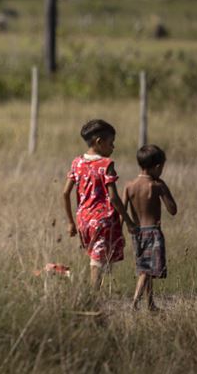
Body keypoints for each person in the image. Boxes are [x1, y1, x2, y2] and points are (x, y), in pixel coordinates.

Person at [62, 119, 136, 290]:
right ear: (99, 142)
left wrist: (70, 222)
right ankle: (92, 296)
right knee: (97, 262)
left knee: (98, 258)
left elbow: (65, 193)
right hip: (103, 221)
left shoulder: (77, 163)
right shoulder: (106, 164)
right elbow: (114, 198)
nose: (113, 147)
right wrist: (129, 222)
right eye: (111, 143)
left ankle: (95, 291)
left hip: (83, 221)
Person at [123, 145, 177, 311]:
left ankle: (150, 303)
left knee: (144, 267)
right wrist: (163, 187)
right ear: (158, 167)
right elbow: (173, 210)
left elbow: (121, 211)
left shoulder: (129, 186)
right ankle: (135, 303)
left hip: (136, 233)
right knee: (147, 270)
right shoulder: (156, 185)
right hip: (153, 232)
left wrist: (121, 231)